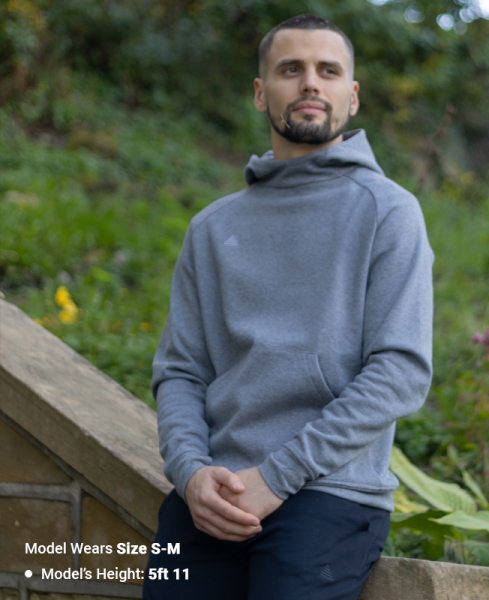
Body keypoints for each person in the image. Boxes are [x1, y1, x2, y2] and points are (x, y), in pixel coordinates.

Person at [143, 13, 433, 600]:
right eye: (291, 69)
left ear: (352, 96)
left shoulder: (388, 212)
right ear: (261, 92)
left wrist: (277, 477)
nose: (310, 83)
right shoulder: (212, 227)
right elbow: (180, 371)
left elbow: (400, 372)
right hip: (211, 495)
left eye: (329, 71)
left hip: (329, 495)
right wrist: (190, 472)